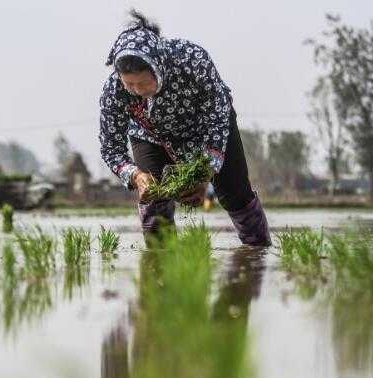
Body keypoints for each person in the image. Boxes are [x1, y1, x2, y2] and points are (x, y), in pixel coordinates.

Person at [99, 10, 270, 246]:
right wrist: (136, 175)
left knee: (235, 193)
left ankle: (258, 252)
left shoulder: (192, 60)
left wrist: (204, 174)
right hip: (150, 135)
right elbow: (111, 148)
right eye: (130, 84)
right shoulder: (114, 91)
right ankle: (160, 267)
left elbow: (217, 118)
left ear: (157, 67)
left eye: (144, 82)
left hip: (208, 130)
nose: (137, 91)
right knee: (154, 198)